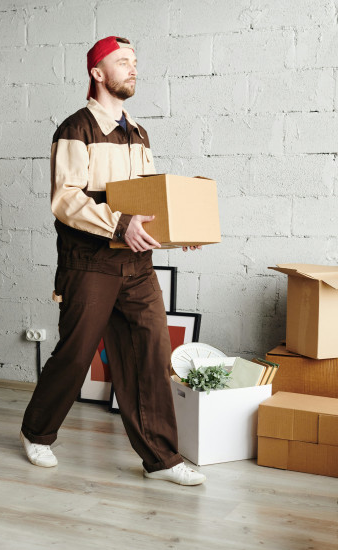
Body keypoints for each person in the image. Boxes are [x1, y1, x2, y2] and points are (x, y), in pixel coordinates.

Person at [19, 37, 206, 486]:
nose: (133, 68)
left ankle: (161, 458)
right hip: (89, 263)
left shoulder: (138, 132)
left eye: (135, 61)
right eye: (122, 62)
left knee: (151, 353)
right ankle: (36, 431)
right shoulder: (76, 128)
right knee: (76, 353)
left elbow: (146, 198)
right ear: (97, 73)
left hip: (136, 265)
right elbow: (65, 199)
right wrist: (119, 225)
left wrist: (177, 231)